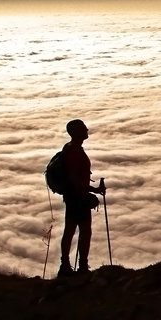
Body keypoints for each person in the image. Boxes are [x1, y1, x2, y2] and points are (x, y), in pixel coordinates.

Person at [59, 119, 104, 277]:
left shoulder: (69, 148)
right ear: (78, 132)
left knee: (69, 230)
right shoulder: (75, 151)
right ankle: (82, 267)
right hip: (78, 197)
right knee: (84, 231)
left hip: (71, 196)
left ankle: (65, 265)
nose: (87, 130)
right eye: (84, 129)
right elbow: (75, 178)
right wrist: (93, 190)